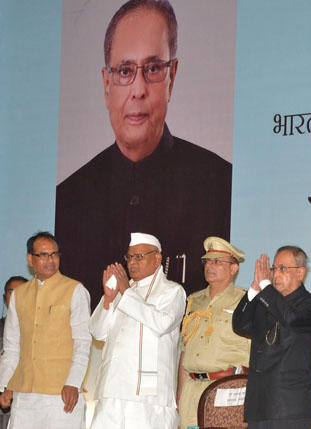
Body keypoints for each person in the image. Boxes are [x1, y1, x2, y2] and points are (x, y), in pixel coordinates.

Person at [55, 0, 232, 306]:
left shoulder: (219, 182)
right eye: (124, 71)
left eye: (152, 69)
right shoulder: (69, 198)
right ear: (106, 83)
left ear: (172, 77)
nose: (138, 89)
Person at [89, 232, 186, 429]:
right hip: (112, 390)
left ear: (157, 258)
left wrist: (125, 292)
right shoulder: (121, 292)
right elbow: (98, 333)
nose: (132, 262)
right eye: (129, 257)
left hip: (147, 396)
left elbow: (161, 323)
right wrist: (108, 298)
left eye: (139, 257)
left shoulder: (172, 291)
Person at [0, 232, 91, 428]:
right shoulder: (18, 295)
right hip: (24, 394)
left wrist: (73, 382)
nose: (50, 260)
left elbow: (83, 342)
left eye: (54, 254)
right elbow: (12, 346)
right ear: (30, 259)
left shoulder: (75, 290)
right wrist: (6, 385)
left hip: (61, 394)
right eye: (43, 255)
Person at [232, 246, 311, 429]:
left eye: (283, 269)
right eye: (274, 269)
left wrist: (266, 287)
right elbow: (240, 325)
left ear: (300, 273)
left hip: (290, 406)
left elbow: (290, 318)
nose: (275, 275)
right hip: (259, 405)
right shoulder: (265, 301)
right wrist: (254, 288)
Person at [177, 237, 250, 428]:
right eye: (207, 261)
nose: (210, 265)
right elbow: (185, 351)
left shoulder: (245, 301)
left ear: (233, 269)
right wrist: (179, 395)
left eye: (217, 261)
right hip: (191, 391)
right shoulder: (194, 300)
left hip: (227, 389)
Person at [0, 276, 27, 429]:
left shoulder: (39, 331)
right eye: (12, 292)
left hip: (29, 398)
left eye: (21, 291)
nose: (17, 295)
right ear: (5, 298)